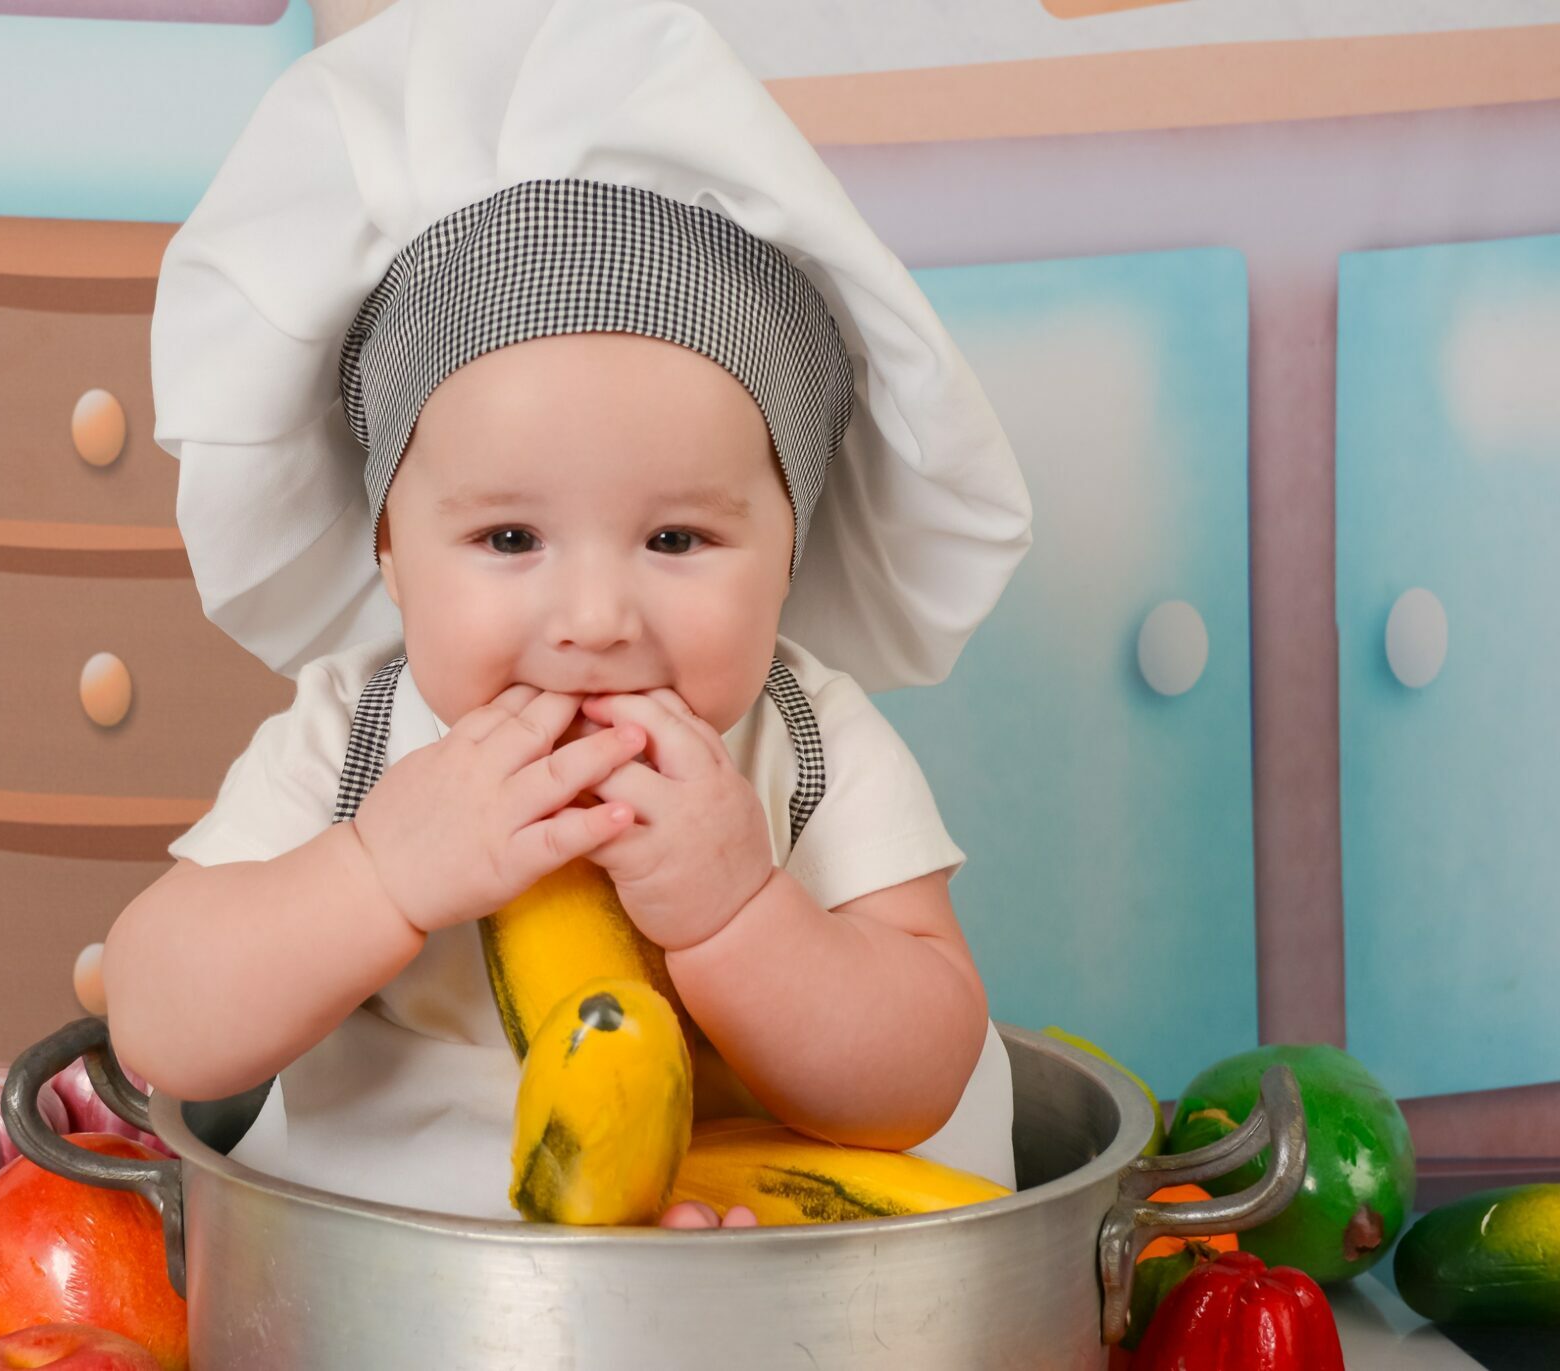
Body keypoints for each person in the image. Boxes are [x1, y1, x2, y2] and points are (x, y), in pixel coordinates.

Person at [103, 0, 1033, 1227]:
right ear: (389, 551)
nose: (594, 619)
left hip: (756, 1257)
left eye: (676, 540)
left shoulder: (805, 742)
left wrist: (743, 917)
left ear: (790, 554)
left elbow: (922, 1071)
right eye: (508, 540)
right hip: (401, 1278)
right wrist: (376, 876)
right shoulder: (355, 740)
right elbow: (158, 1021)